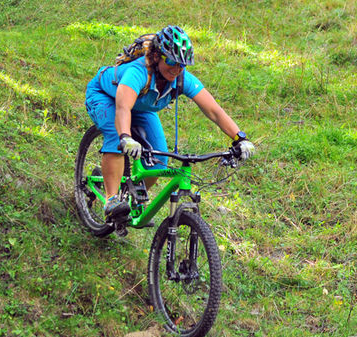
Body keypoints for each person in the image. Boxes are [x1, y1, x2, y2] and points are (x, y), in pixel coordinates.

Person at [84, 25, 255, 220]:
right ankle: (111, 199)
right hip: (106, 97)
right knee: (116, 138)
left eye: (182, 65)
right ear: (157, 56)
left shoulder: (181, 78)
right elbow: (123, 108)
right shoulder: (138, 72)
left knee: (159, 163)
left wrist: (239, 138)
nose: (176, 69)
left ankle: (130, 197)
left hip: (142, 108)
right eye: (172, 61)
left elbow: (214, 111)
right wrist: (125, 137)